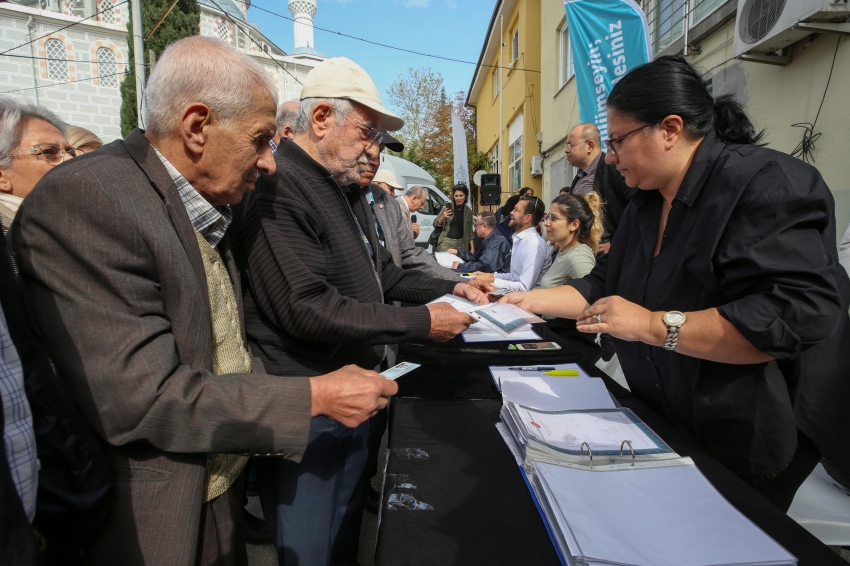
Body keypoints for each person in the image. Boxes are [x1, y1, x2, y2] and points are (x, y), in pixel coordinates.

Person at [13, 37, 397, 565]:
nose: (270, 163)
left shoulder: (199, 198)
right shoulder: (93, 199)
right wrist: (313, 397)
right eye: (260, 140)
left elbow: (218, 337)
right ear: (197, 127)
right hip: (159, 513)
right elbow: (143, 399)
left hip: (220, 484)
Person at [501, 55, 849, 511]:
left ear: (669, 128)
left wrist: (650, 325)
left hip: (747, 432)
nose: (610, 155)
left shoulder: (767, 184)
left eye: (618, 140)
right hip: (665, 415)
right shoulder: (645, 203)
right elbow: (604, 286)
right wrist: (524, 300)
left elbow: (790, 314)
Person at [236, 57, 483, 566]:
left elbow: (387, 276)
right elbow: (307, 308)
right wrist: (423, 322)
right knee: (311, 550)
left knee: (345, 539)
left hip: (356, 395)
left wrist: (455, 289)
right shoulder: (278, 187)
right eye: (367, 133)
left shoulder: (344, 190)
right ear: (322, 117)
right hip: (314, 409)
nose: (374, 150)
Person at [540, 193, 602, 362]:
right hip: (556, 338)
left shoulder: (578, 256)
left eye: (553, 218)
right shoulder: (563, 250)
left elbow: (594, 302)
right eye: (547, 217)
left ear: (574, 224)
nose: (547, 223)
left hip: (570, 347)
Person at [0, 96, 76, 235]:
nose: (70, 159)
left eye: (71, 152)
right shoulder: (16, 237)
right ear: (1, 177)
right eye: (47, 152)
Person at [565, 123, 636, 254]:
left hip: (606, 254)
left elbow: (638, 208)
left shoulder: (614, 169)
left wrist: (617, 243)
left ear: (590, 146)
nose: (566, 150)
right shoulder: (579, 176)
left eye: (571, 144)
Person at [473, 196, 550, 292]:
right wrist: (490, 275)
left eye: (516, 210)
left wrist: (492, 280)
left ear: (527, 218)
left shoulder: (534, 244)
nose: (511, 212)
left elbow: (524, 287)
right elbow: (514, 276)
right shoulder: (520, 239)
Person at [434, 183, 474, 252]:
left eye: (461, 195)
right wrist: (443, 217)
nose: (459, 198)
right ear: (454, 197)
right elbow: (435, 224)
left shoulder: (469, 211)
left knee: (460, 263)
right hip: (446, 243)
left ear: (465, 196)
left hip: (461, 244)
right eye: (456, 196)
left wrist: (472, 248)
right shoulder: (447, 208)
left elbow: (470, 232)